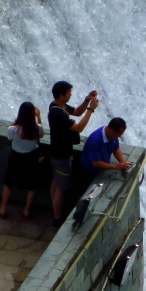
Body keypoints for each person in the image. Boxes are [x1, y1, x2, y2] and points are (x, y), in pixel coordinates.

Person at [47, 80, 98, 229]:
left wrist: (87, 100)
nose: (71, 95)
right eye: (69, 93)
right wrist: (91, 109)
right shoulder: (57, 113)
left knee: (56, 183)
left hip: (57, 152)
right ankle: (57, 220)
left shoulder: (57, 105)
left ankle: (54, 212)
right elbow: (79, 128)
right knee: (61, 189)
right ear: (62, 95)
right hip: (62, 155)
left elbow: (76, 112)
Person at [0, 102, 45, 219]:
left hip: (16, 158)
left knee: (9, 182)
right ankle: (27, 210)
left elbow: (10, 138)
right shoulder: (37, 129)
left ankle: (3, 208)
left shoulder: (13, 129)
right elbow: (41, 135)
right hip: (31, 158)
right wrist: (38, 117)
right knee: (32, 185)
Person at [80, 118, 134, 187]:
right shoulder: (95, 141)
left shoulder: (112, 135)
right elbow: (96, 163)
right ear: (112, 131)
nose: (119, 136)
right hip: (89, 172)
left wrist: (123, 163)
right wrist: (116, 166)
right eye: (118, 134)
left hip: (102, 169)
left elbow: (116, 148)